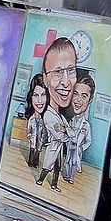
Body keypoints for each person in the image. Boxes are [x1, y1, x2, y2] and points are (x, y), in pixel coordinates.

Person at [35, 38, 78, 192]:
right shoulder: (48, 114)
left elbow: (68, 131)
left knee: (57, 166)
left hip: (59, 149)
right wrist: (67, 134)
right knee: (48, 165)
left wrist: (67, 132)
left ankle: (53, 184)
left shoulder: (60, 116)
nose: (66, 82)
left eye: (71, 70)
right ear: (45, 79)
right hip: (54, 147)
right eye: (58, 72)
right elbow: (60, 135)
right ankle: (40, 180)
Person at [64, 73, 94, 183]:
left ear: (90, 100)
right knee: (67, 161)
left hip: (77, 149)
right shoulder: (71, 120)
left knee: (74, 162)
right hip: (70, 147)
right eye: (75, 94)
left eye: (84, 96)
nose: (78, 100)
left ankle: (71, 178)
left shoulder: (86, 125)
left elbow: (88, 141)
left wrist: (81, 148)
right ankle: (66, 175)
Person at [25, 73, 50, 168]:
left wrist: (44, 139)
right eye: (35, 95)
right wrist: (29, 134)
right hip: (33, 137)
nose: (39, 101)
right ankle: (30, 162)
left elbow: (45, 131)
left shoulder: (45, 119)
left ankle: (35, 163)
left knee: (38, 149)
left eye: (43, 95)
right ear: (31, 97)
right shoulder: (32, 118)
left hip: (40, 139)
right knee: (32, 148)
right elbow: (29, 127)